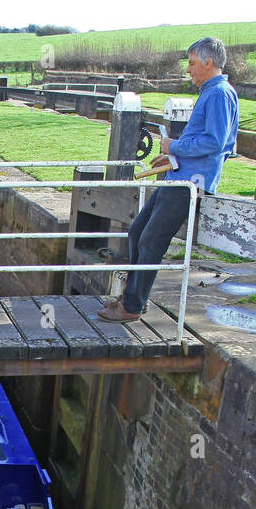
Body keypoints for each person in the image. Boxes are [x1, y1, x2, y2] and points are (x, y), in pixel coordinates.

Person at [97, 37, 239, 323]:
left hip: (191, 184)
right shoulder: (211, 93)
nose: (188, 70)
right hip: (179, 175)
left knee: (151, 239)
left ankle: (132, 307)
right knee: (138, 231)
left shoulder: (219, 94)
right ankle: (134, 298)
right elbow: (205, 142)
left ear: (208, 63)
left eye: (192, 63)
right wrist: (174, 159)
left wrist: (172, 147)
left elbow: (216, 142)